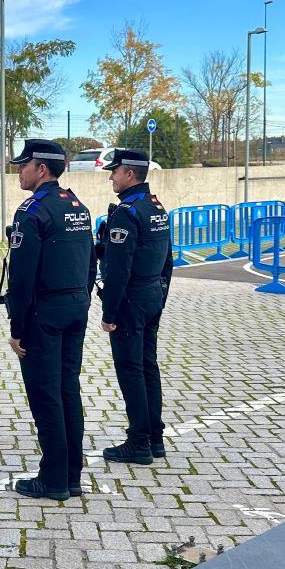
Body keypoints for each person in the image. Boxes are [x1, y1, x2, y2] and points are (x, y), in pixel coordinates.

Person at [4, 139, 96, 502]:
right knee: (67, 389)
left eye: (23, 165)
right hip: (76, 306)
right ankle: (72, 474)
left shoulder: (32, 211)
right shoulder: (78, 206)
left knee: (46, 395)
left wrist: (17, 328)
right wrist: (83, 299)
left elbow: (22, 279)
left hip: (45, 313)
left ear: (41, 169)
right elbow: (91, 263)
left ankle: (54, 479)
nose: (19, 171)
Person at [98, 149, 173, 465]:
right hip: (152, 295)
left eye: (114, 171)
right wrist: (160, 296)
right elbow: (168, 260)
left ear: (129, 174)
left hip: (131, 301)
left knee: (131, 371)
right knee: (148, 366)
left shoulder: (127, 213)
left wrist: (109, 314)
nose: (111, 177)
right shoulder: (156, 207)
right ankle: (155, 437)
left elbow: (118, 270)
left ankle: (139, 442)